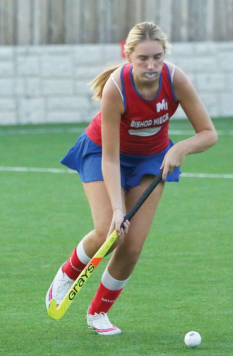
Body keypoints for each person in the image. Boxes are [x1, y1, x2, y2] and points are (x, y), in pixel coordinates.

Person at [45, 21, 217, 335]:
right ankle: (67, 275)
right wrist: (116, 209)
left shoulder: (176, 79)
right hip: (103, 153)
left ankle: (98, 312)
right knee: (107, 232)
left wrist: (181, 148)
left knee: (133, 244)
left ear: (165, 55)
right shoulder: (116, 87)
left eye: (157, 57)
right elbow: (110, 158)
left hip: (152, 158)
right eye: (143, 59)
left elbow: (208, 134)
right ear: (129, 57)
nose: (151, 65)